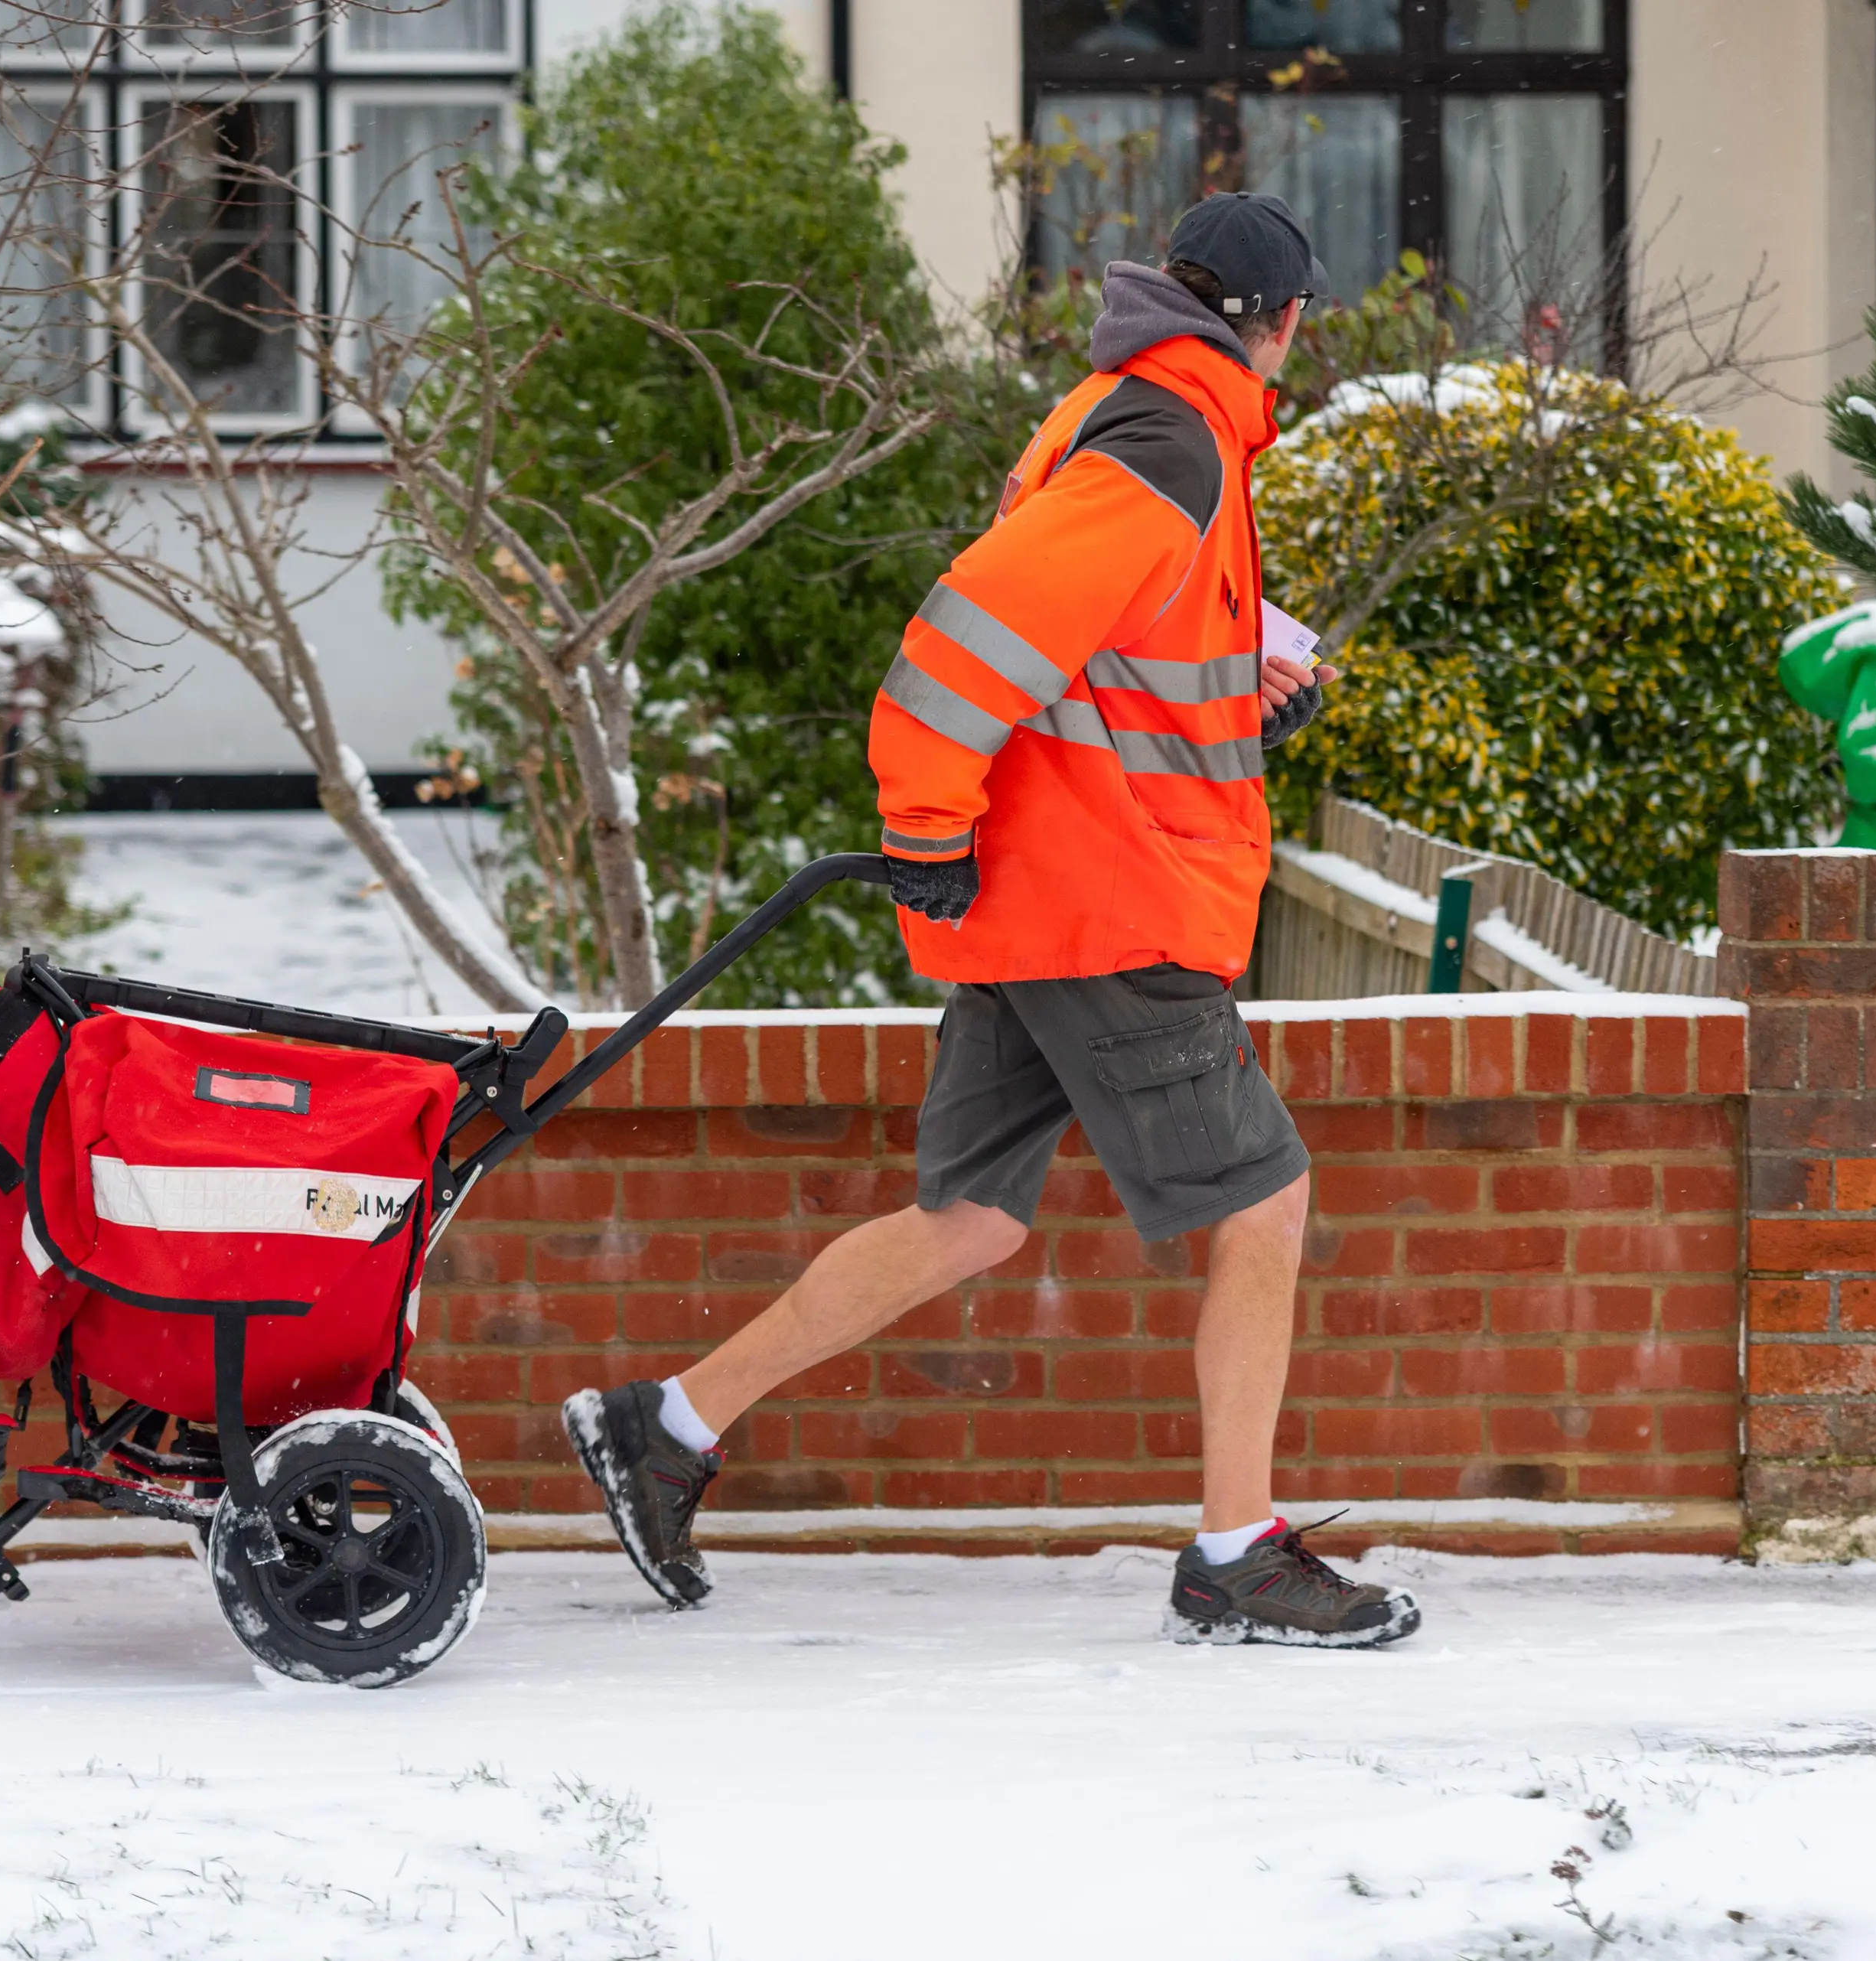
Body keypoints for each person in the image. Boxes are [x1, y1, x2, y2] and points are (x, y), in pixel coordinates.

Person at [565, 193, 1419, 1650]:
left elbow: (1100, 642)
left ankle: (668, 1425)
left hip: (1062, 888)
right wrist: (923, 831)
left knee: (965, 1221)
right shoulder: (1171, 435)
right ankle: (1237, 1552)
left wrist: (1241, 663)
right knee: (1264, 1200)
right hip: (1114, 897)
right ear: (1279, 322)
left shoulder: (1127, 413)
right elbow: (967, 639)